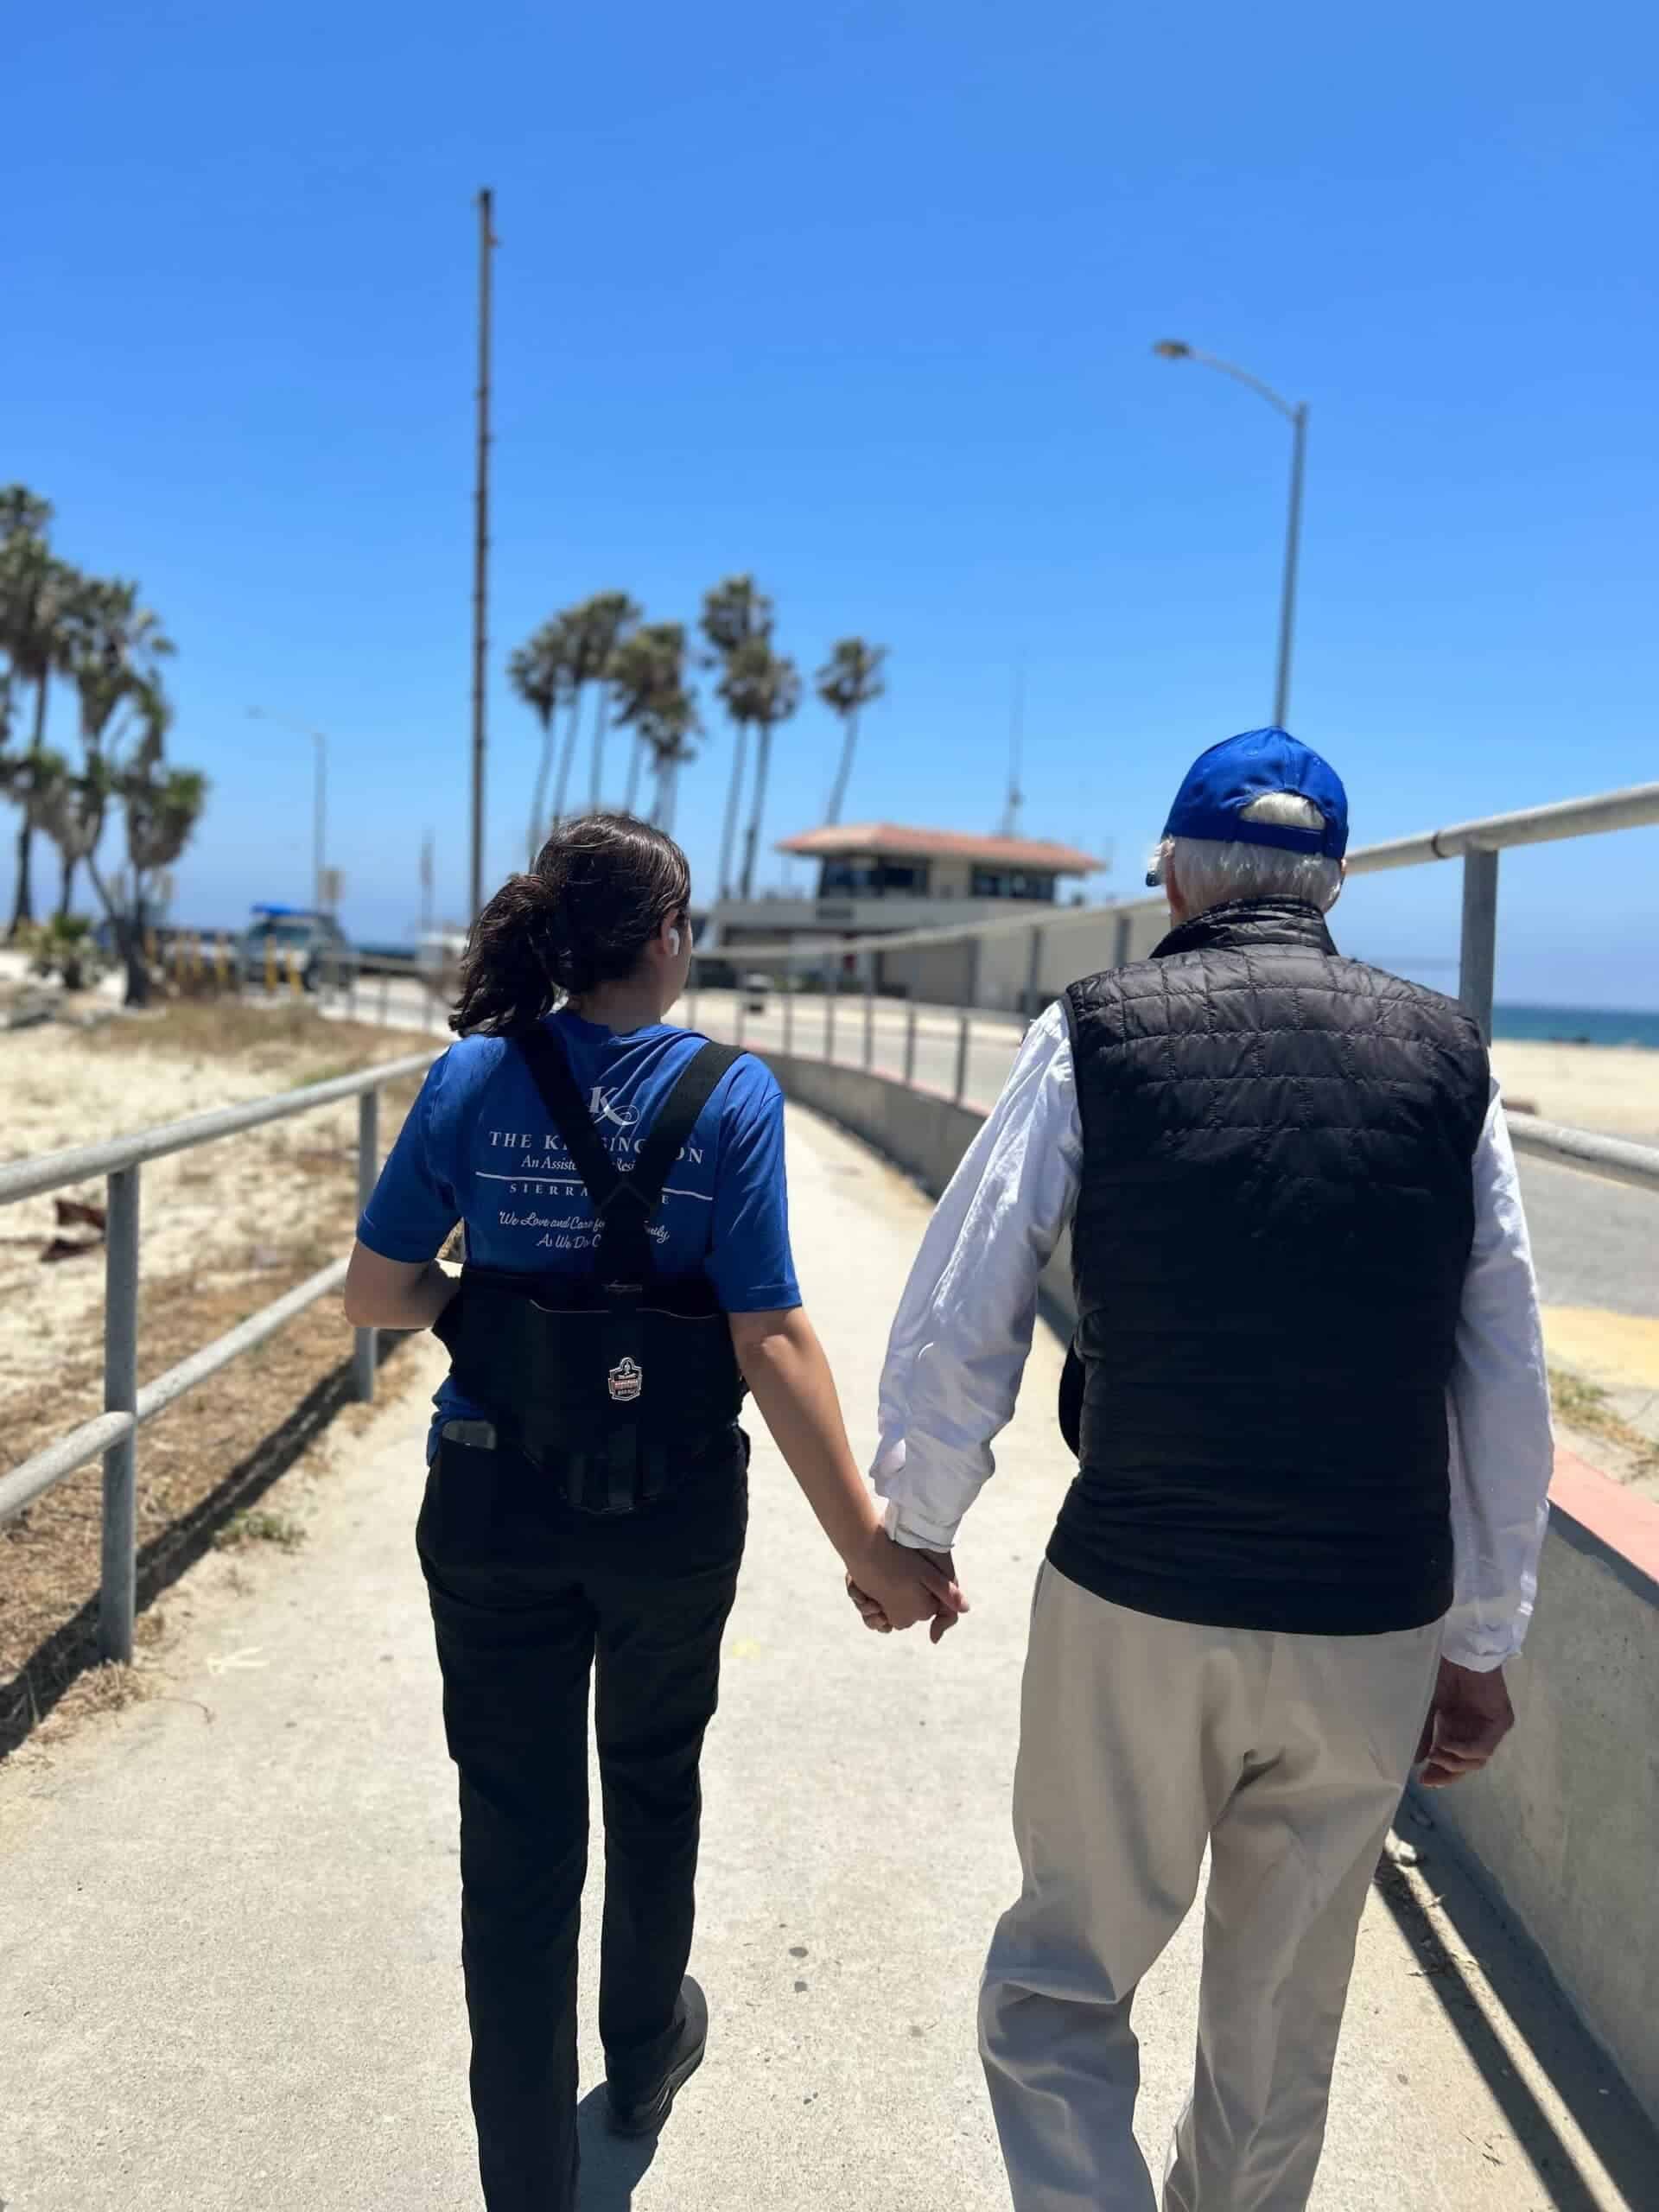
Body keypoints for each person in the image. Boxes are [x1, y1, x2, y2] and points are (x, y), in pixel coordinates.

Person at [855, 730, 1554, 2211]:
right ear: (1339, 888)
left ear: (1172, 872)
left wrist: (915, 1523)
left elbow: (965, 1301)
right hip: (1368, 1614)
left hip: (1140, 1593)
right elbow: (1503, 1374)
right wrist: (1481, 1641)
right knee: (1281, 2025)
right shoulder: (1452, 1058)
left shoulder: (1091, 1030)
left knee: (1064, 1977)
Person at [343, 813, 963, 2212]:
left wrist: (492, 1314)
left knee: (515, 1831)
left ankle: (525, 2180)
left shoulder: (469, 1079)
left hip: (493, 1495)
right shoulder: (730, 1097)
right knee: (653, 1774)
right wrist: (873, 1547)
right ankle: (641, 2057)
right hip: (671, 1511)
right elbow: (772, 1339)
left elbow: (376, 1296)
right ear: (670, 937)